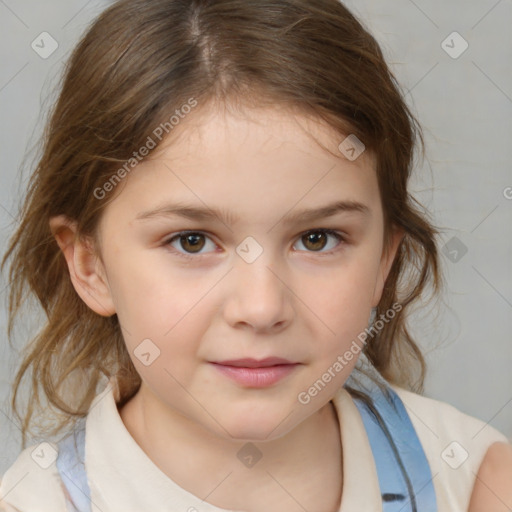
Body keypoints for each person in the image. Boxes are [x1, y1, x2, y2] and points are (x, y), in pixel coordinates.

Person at [0, 0, 511, 510]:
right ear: (90, 266)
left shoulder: (475, 483)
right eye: (192, 241)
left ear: (383, 260)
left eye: (317, 239)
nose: (262, 308)